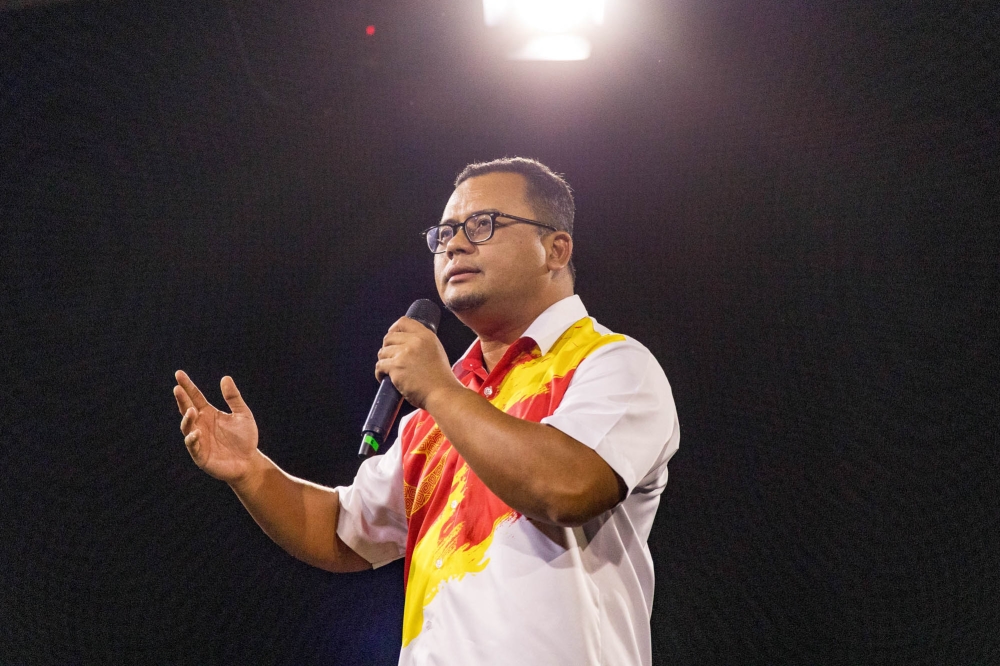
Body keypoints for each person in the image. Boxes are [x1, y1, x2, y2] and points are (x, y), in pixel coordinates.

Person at [173, 157, 680, 665]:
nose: (454, 244)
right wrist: (251, 471)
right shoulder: (435, 412)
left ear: (555, 249)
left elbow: (567, 488)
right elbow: (341, 532)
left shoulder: (612, 364)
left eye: (483, 224)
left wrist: (438, 390)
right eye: (445, 233)